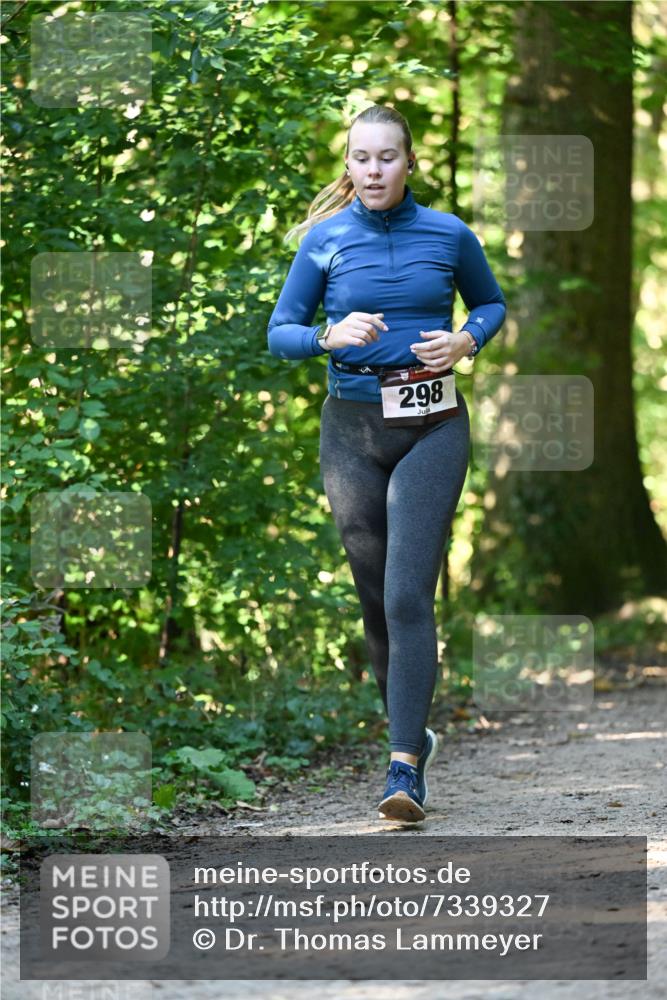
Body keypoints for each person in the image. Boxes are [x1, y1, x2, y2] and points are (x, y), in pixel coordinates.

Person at [267, 104, 506, 823]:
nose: (373, 170)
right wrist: (327, 336)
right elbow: (280, 332)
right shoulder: (324, 241)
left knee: (407, 595)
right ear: (348, 164)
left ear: (409, 163)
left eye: (387, 157)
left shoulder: (448, 233)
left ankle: (403, 767)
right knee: (375, 599)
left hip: (433, 427)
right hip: (351, 433)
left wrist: (466, 340)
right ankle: (414, 732)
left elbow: (490, 305)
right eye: (361, 158)